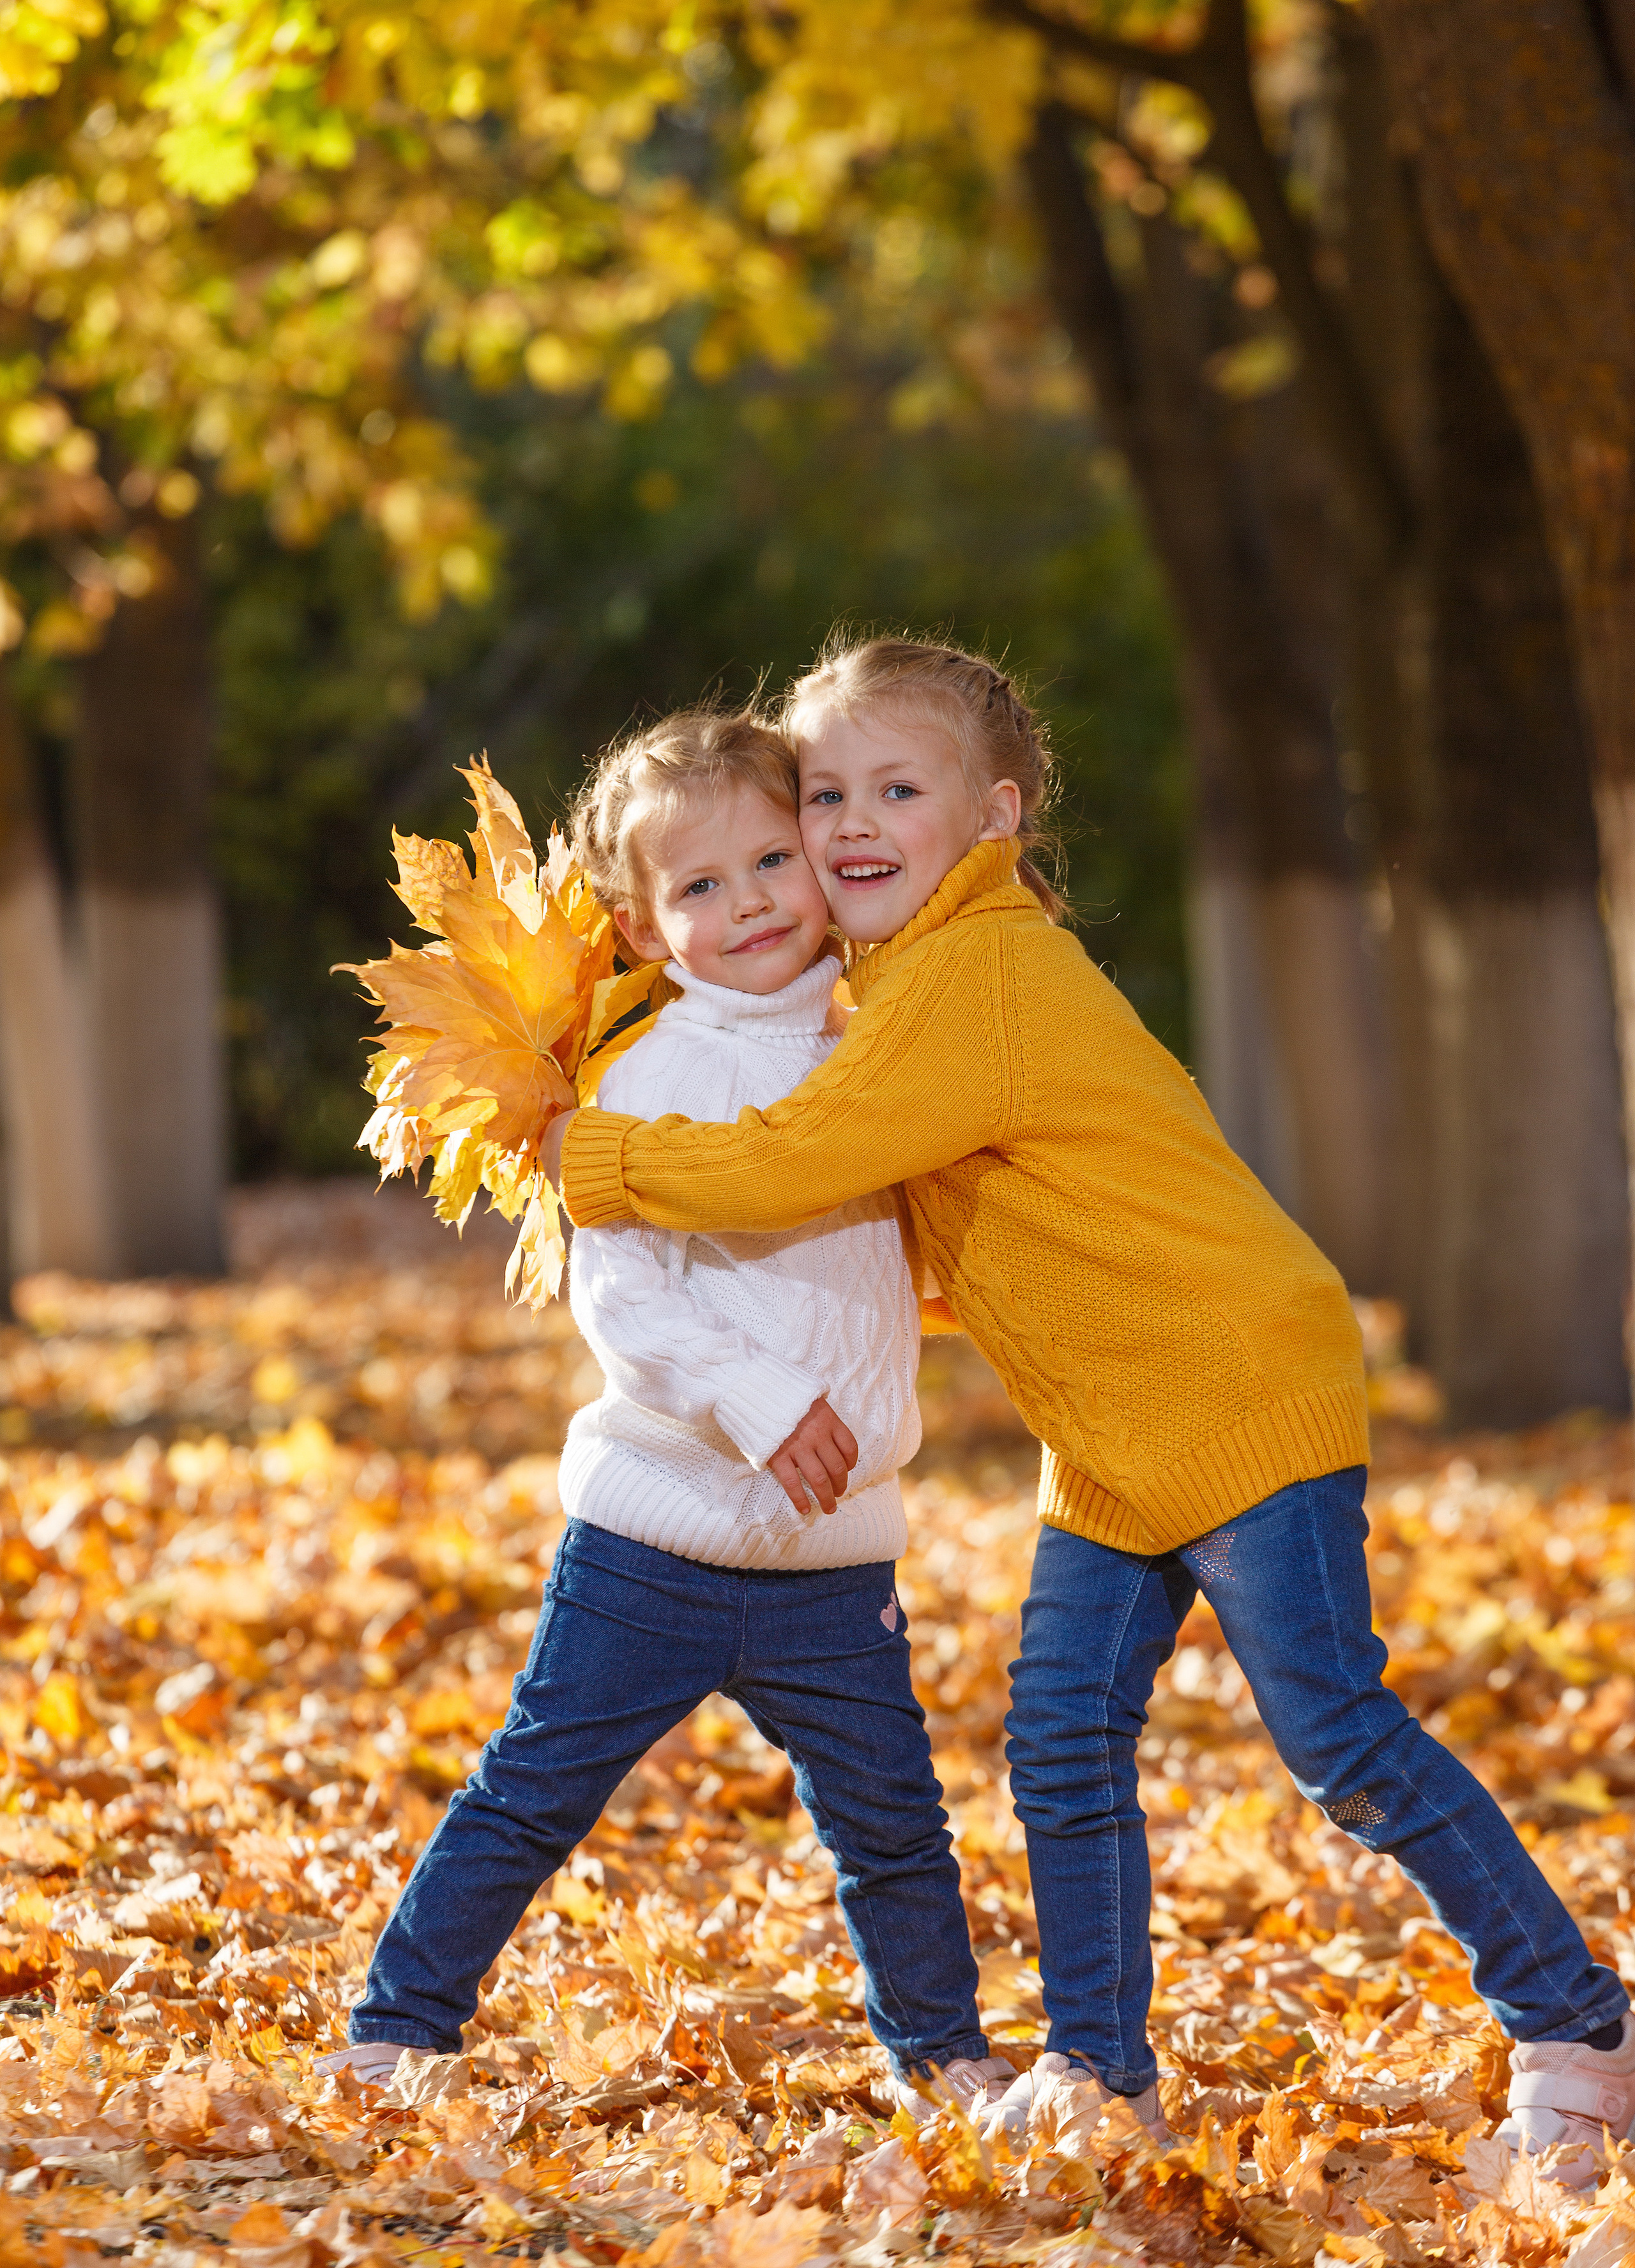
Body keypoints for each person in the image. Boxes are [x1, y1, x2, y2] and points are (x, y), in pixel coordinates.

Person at [547, 634, 1634, 2182]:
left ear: (992, 816)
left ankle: (1577, 2028)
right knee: (1059, 1734)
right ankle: (1094, 2074)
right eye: (827, 793)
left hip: (1231, 1382)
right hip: (1115, 1423)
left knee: (1335, 1734)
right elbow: (980, 1218)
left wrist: (591, 1158)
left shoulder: (977, 972)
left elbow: (799, 1159)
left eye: (898, 790)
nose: (852, 823)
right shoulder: (904, 980)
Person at [321, 705, 1012, 2120]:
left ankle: (941, 2058)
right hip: (657, 1542)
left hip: (833, 1560)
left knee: (893, 1827)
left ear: (818, 855)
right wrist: (755, 1399)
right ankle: (397, 2029)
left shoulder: (876, 1053)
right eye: (701, 884)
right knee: (534, 1791)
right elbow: (622, 1294)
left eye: (770, 861)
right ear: (642, 927)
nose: (748, 902)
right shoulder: (651, 1076)